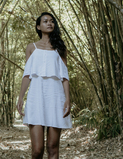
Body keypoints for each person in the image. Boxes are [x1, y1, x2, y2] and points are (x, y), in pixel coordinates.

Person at [16, 12, 72, 159]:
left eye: (52, 21)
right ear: (38, 26)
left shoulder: (60, 48)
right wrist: (21, 97)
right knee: (37, 150)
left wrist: (67, 99)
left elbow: (64, 77)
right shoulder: (31, 48)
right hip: (36, 97)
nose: (49, 23)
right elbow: (27, 74)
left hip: (55, 97)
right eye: (45, 21)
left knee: (53, 148)